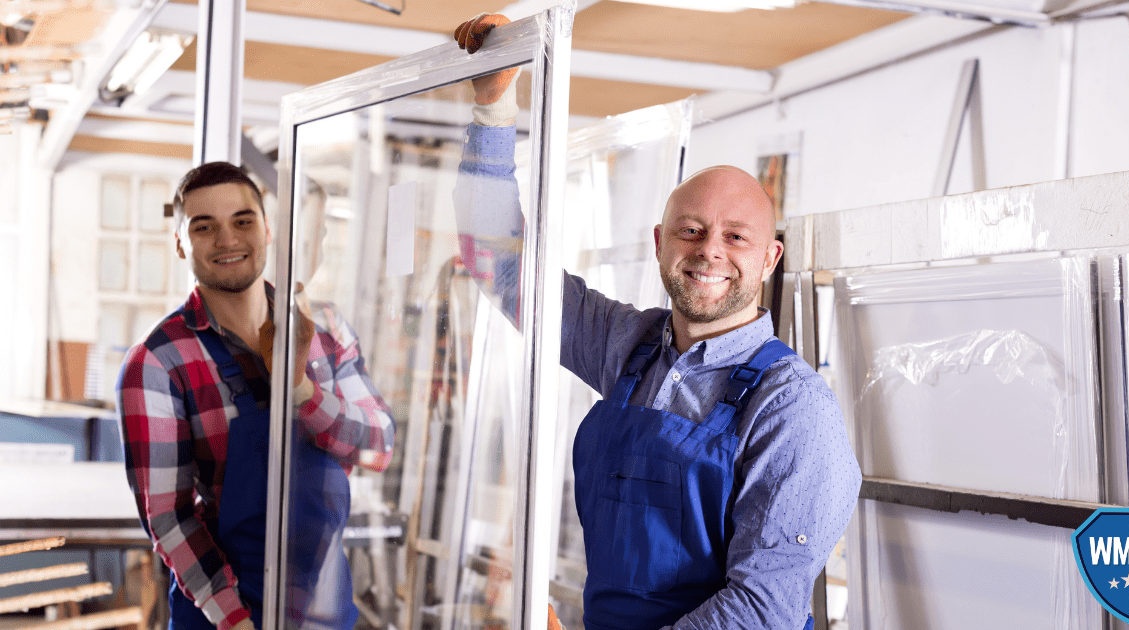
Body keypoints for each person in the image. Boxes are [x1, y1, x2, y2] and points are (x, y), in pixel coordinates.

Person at [453, 15, 862, 630]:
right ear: (659, 241)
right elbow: (498, 265)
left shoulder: (794, 410)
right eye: (690, 230)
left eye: (736, 236)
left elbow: (762, 611)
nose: (709, 251)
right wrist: (492, 107)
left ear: (770, 258)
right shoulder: (627, 345)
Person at [117, 162, 395, 630]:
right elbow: (171, 518)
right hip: (223, 610)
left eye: (242, 221)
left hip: (323, 605)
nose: (227, 240)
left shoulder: (324, 326)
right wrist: (236, 622)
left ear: (267, 230)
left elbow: (378, 448)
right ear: (181, 243)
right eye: (204, 228)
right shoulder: (157, 362)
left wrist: (300, 389)